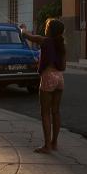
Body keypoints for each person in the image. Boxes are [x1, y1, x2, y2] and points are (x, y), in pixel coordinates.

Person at [20, 19, 66, 154]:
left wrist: (22, 28)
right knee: (56, 111)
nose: (45, 28)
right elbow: (62, 65)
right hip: (59, 78)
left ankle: (47, 146)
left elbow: (26, 35)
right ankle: (54, 143)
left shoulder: (44, 40)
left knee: (45, 113)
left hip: (48, 77)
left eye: (47, 26)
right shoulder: (61, 44)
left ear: (50, 30)